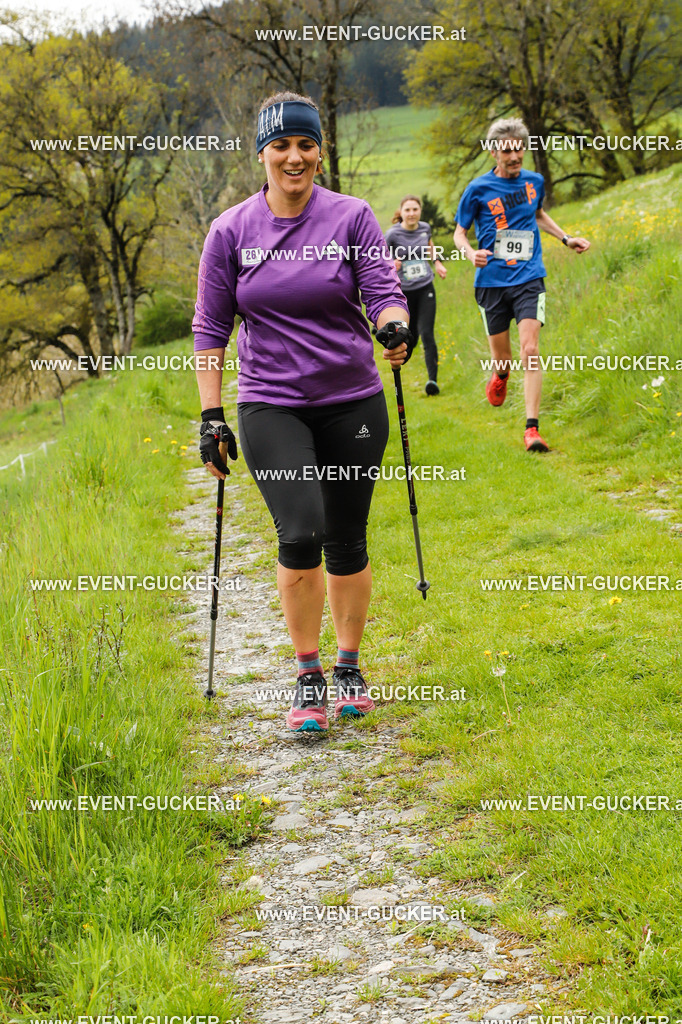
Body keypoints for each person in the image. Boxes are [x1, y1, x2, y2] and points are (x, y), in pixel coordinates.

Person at [192, 91, 411, 733]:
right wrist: (210, 416)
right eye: (281, 145)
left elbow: (382, 289)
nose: (294, 156)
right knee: (303, 529)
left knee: (348, 533)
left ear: (320, 151)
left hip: (353, 402)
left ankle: (349, 666)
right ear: (262, 153)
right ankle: (307, 673)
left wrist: (394, 327)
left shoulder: (352, 216)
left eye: (305, 144)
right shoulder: (231, 231)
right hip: (271, 404)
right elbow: (210, 326)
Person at [454, 117, 590, 452]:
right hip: (492, 283)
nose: (514, 157)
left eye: (519, 150)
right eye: (507, 151)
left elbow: (538, 214)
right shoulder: (477, 189)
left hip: (530, 277)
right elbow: (459, 233)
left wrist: (566, 238)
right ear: (493, 152)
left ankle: (532, 429)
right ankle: (500, 376)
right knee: (504, 360)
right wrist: (471, 254)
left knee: (531, 350)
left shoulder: (534, 182)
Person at [385, 195, 447, 395]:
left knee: (427, 333)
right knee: (410, 335)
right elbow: (380, 259)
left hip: (425, 287)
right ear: (401, 212)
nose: (411, 213)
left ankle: (433, 381)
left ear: (419, 211)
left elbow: (430, 245)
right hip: (403, 293)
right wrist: (391, 265)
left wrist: (437, 262)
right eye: (408, 210)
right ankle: (400, 363)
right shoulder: (392, 234)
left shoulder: (425, 228)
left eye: (415, 209)